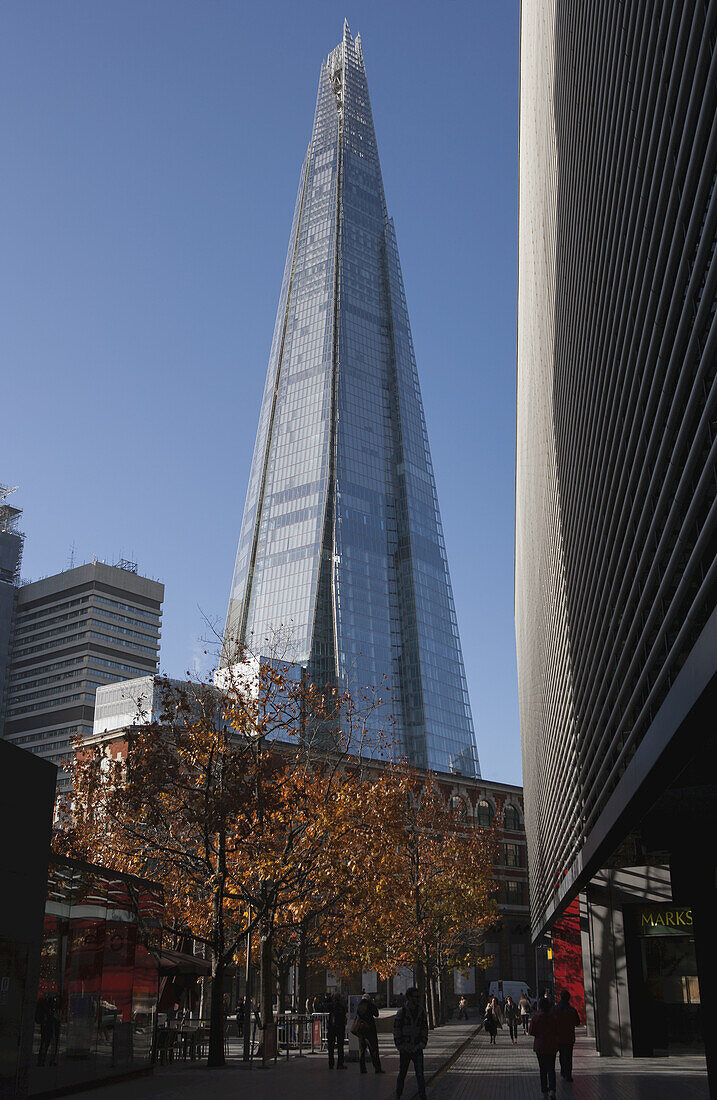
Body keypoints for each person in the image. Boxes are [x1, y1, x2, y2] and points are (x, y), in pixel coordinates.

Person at [393, 986, 428, 1100]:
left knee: (420, 1075)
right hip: (406, 1048)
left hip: (417, 1047)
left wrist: (422, 1043)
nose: (417, 999)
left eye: (418, 997)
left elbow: (424, 1028)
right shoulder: (402, 1012)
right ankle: (398, 1094)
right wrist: (400, 1046)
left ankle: (422, 1096)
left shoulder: (420, 1011)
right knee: (402, 1073)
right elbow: (397, 1030)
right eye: (415, 997)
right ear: (409, 997)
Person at [529, 996, 558, 1098]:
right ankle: (552, 1090)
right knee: (551, 1068)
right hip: (551, 1045)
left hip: (540, 1046)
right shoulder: (553, 1018)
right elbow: (557, 1031)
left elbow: (531, 1032)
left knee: (542, 1069)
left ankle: (544, 1089)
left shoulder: (536, 1018)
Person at [553, 990, 580, 1081]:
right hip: (569, 1036)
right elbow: (577, 1022)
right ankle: (568, 1073)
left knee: (561, 1054)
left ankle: (563, 1070)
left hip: (559, 1035)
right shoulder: (572, 1010)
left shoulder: (555, 1009)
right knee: (569, 1055)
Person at [355, 992, 383, 1074]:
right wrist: (373, 1004)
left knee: (362, 1050)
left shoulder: (359, 1005)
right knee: (373, 1049)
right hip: (370, 1029)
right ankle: (377, 1068)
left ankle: (362, 1069)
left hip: (361, 1030)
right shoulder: (370, 1005)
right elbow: (376, 1014)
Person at [327, 992, 347, 1069]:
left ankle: (331, 1063)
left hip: (332, 1028)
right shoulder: (341, 1006)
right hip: (340, 1028)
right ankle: (340, 1063)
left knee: (331, 1047)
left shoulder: (331, 1006)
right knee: (340, 1046)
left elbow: (325, 1005)